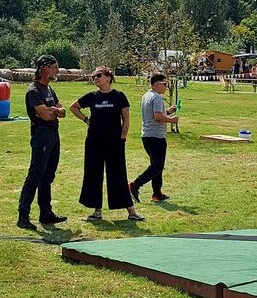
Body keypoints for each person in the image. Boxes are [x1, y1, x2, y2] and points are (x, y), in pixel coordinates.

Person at [70, 67, 145, 223]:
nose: (95, 78)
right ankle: (96, 211)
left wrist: (122, 138)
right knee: (93, 174)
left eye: (98, 75)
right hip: (94, 142)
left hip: (114, 142)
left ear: (108, 78)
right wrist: (86, 120)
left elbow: (126, 120)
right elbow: (73, 107)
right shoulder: (91, 96)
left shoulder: (119, 96)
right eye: (93, 76)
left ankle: (131, 211)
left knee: (118, 175)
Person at [17, 54, 67, 231]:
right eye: (55, 67)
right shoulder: (34, 91)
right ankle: (23, 216)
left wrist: (53, 110)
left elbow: (63, 112)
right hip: (41, 136)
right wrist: (54, 111)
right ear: (44, 68)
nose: (57, 71)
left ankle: (46, 213)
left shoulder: (49, 90)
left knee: (48, 176)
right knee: (35, 175)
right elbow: (45, 115)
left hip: (53, 134)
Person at [130, 72, 179, 204]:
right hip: (156, 136)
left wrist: (168, 111)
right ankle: (135, 185)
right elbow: (157, 117)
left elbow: (154, 114)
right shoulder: (157, 97)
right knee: (157, 166)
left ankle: (157, 194)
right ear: (157, 84)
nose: (166, 87)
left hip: (147, 135)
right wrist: (171, 120)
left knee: (157, 165)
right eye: (165, 84)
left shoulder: (146, 95)